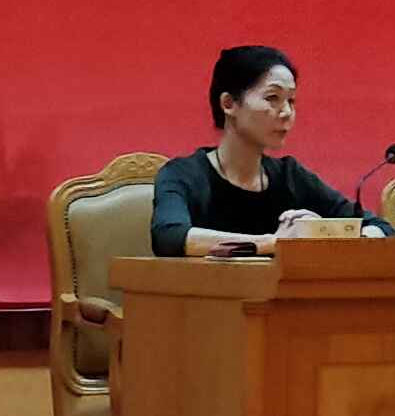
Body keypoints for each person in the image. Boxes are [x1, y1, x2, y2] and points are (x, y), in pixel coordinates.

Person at [150, 45, 379, 257]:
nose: (287, 112)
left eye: (291, 101)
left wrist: (324, 232)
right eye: (272, 98)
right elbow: (169, 237)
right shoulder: (184, 174)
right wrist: (273, 242)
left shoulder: (290, 176)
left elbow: (379, 228)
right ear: (229, 104)